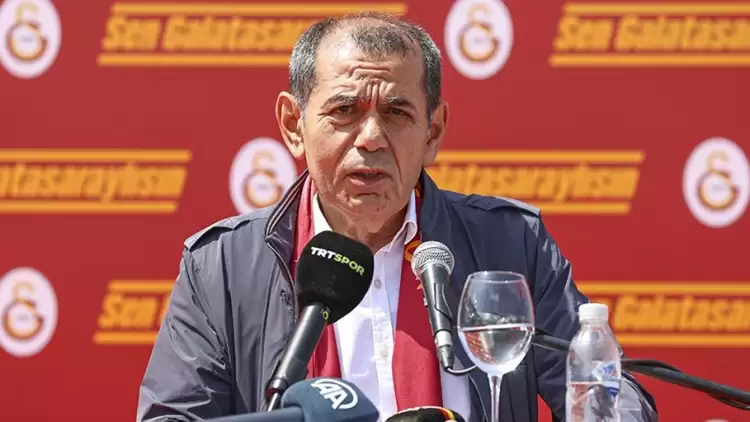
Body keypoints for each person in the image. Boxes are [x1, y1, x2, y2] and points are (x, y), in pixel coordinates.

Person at [137, 12, 658, 422]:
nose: (370, 138)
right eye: (344, 111)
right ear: (294, 125)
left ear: (433, 133)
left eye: (396, 113)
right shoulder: (222, 267)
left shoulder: (512, 244)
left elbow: (604, 391)